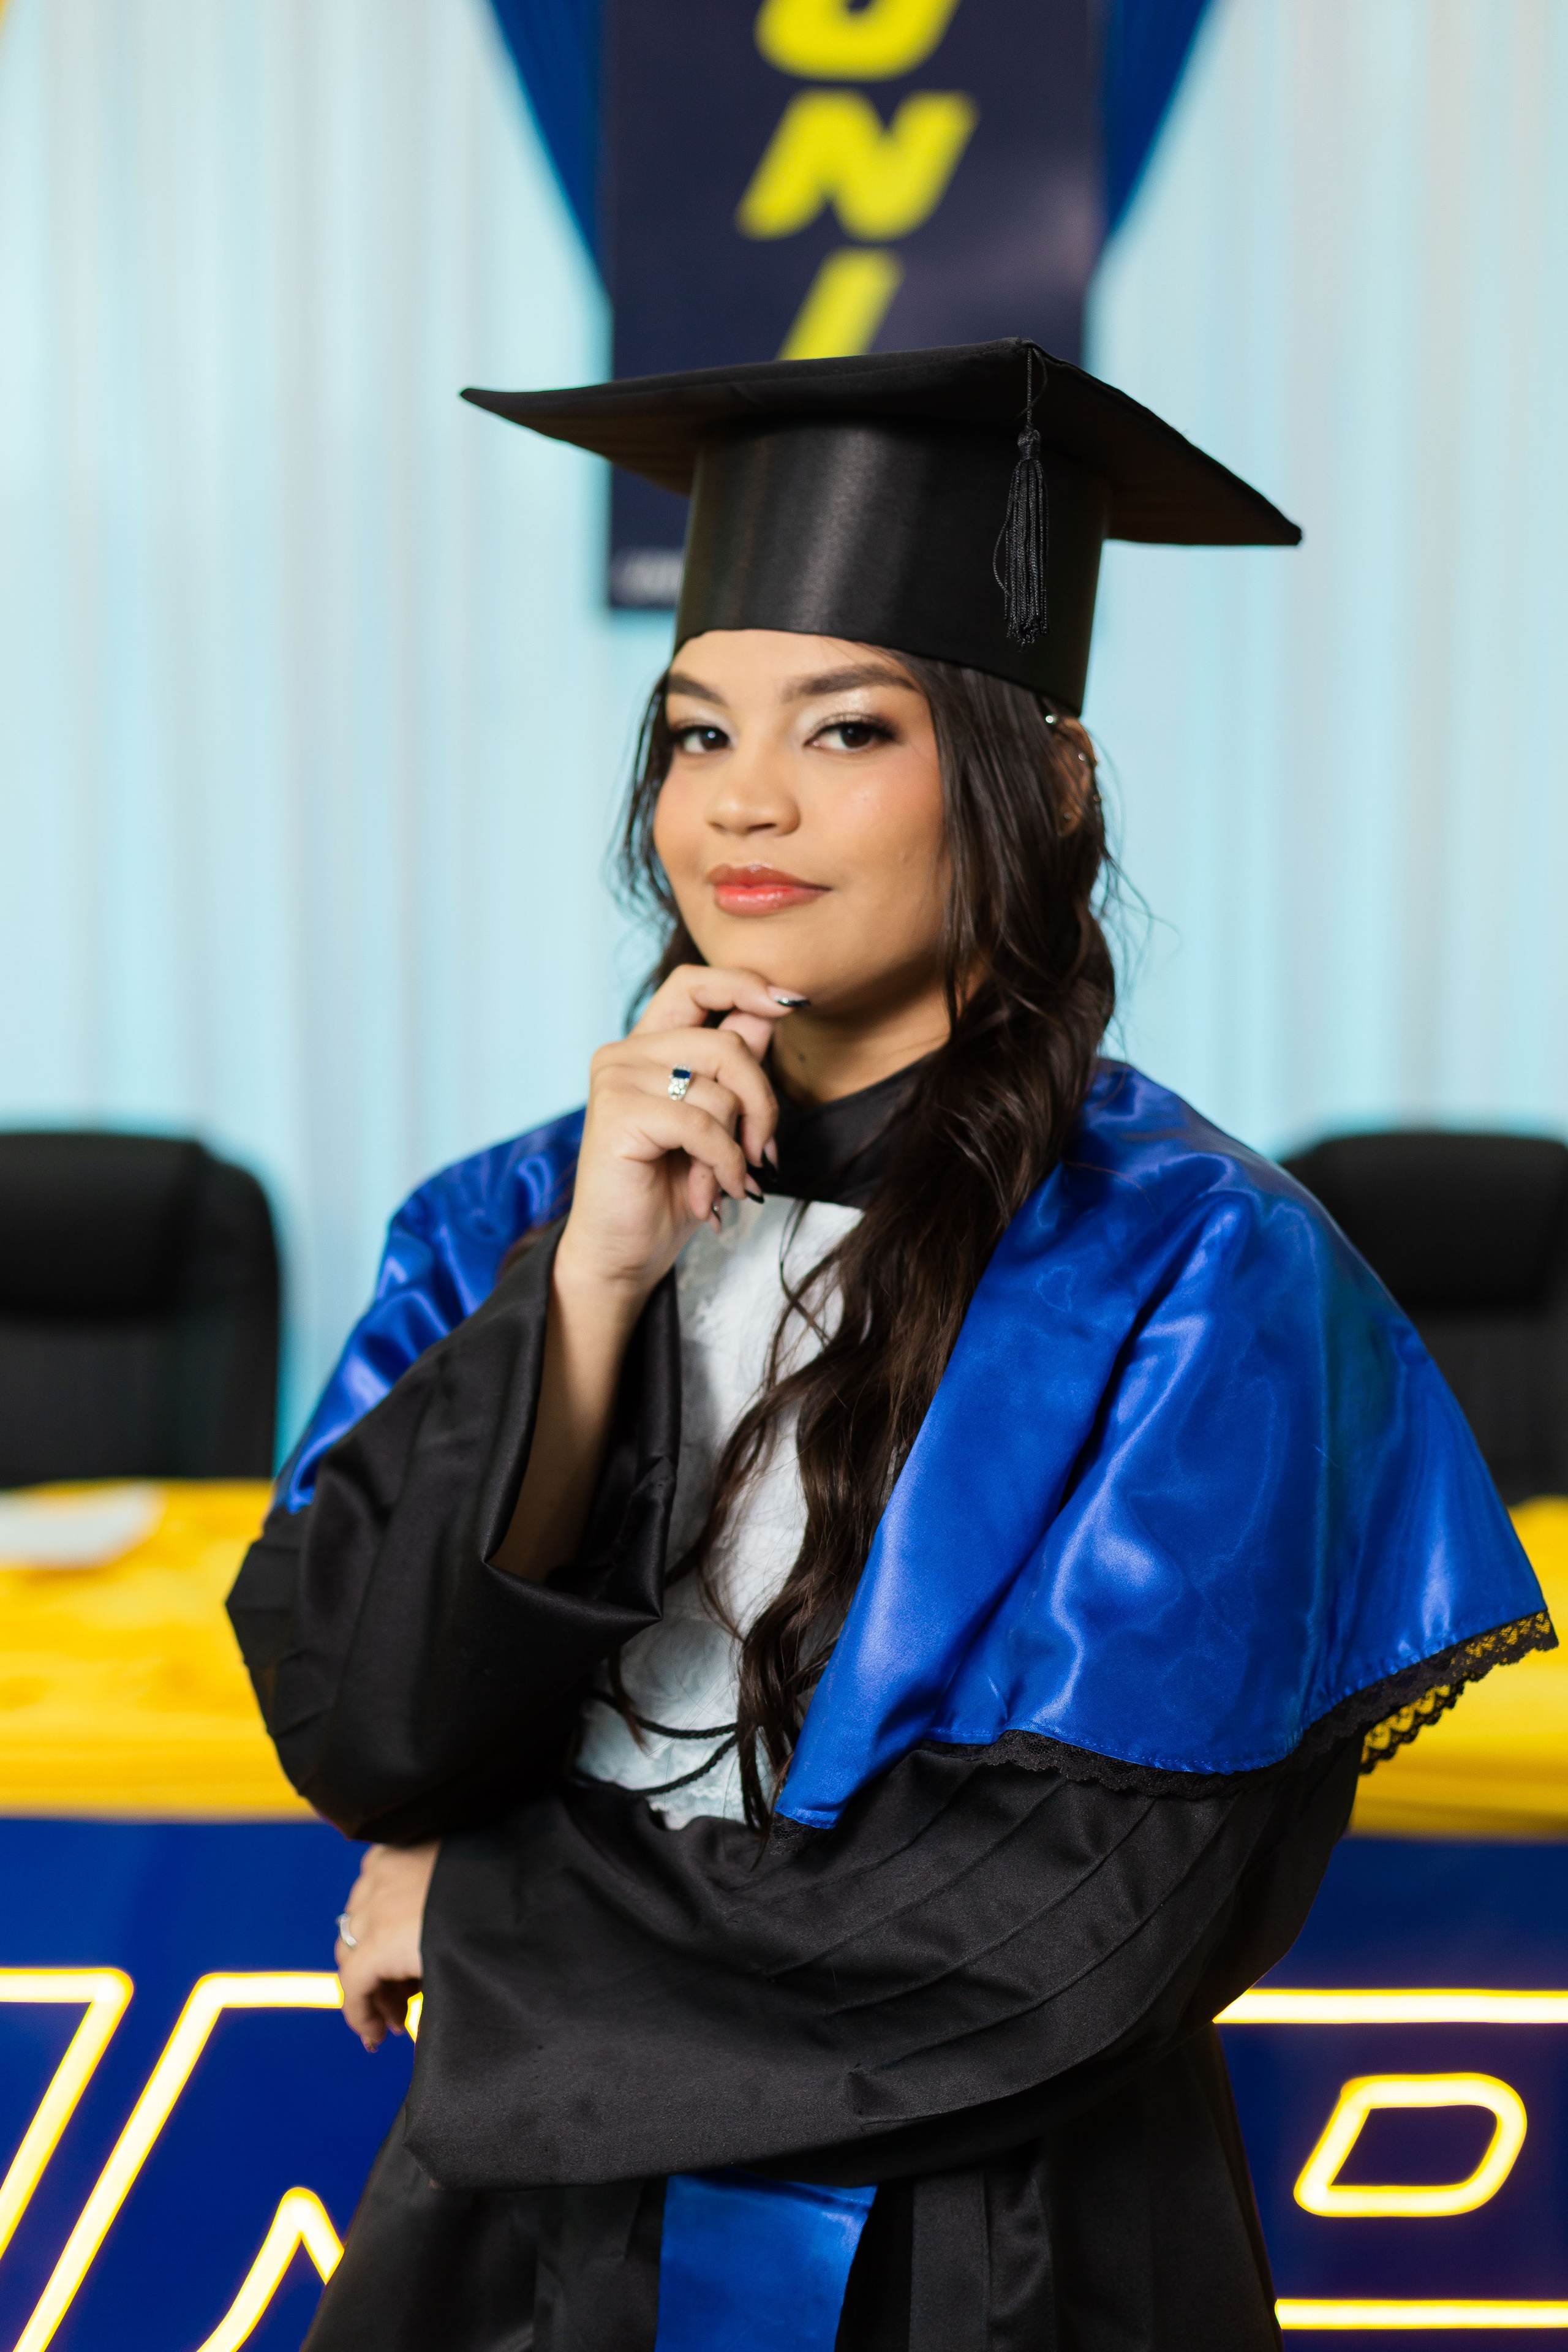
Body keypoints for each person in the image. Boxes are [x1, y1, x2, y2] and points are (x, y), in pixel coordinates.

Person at [229, 340, 1551, 2352]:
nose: (741, 800)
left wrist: (490, 1919)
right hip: (518, 2257)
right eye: (692, 735)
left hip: (986, 2269)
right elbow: (365, 1734)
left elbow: (1063, 1925)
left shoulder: (1206, 1277)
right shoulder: (511, 1217)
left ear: (1044, 777)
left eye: (847, 730)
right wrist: (587, 1307)